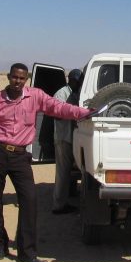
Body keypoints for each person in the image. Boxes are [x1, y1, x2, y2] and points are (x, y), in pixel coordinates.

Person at [0, 63, 92, 262]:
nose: (17, 81)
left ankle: (26, 252)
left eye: (21, 78)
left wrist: (82, 112)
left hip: (20, 156)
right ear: (8, 77)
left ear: (26, 79)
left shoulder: (35, 96)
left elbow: (58, 107)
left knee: (29, 200)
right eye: (14, 77)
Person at [51, 68, 84, 215]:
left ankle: (68, 196)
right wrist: (72, 112)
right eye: (78, 82)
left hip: (72, 137)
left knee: (70, 171)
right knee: (62, 172)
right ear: (71, 80)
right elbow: (56, 114)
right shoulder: (61, 94)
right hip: (63, 137)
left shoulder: (76, 93)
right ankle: (59, 205)